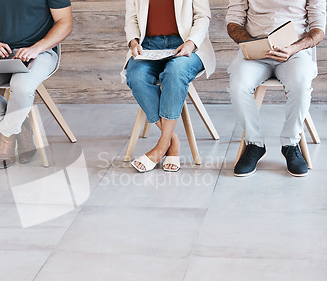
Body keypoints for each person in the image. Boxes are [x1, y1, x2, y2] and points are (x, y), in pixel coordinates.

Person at [0, 0, 72, 169]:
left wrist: (37, 48)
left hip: (41, 52)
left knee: (21, 87)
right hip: (0, 52)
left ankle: (7, 134)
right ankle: (21, 124)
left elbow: (65, 23)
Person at [227, 0, 326, 177]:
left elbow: (318, 29)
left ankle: (291, 143)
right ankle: (254, 144)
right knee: (238, 85)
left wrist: (293, 48)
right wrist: (253, 45)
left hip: (295, 52)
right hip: (256, 53)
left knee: (301, 84)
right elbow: (233, 22)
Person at [123, 0, 216, 173]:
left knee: (175, 72)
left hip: (187, 44)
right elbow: (132, 19)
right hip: (148, 46)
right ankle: (171, 139)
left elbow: (203, 16)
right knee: (136, 76)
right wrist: (134, 42)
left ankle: (160, 147)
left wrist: (191, 42)